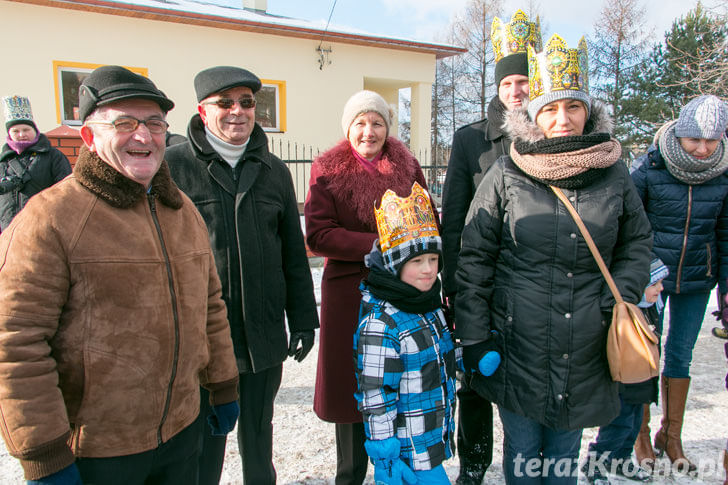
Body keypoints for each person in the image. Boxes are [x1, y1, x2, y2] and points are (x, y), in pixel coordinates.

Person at [0, 65, 240, 484]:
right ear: (89, 137)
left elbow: (210, 307)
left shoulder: (183, 211)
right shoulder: (50, 218)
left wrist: (222, 384)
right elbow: (15, 343)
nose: (143, 136)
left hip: (183, 435)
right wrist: (43, 452)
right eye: (124, 123)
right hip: (97, 452)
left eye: (153, 123)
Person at [455, 34, 652, 485]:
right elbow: (475, 258)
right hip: (516, 342)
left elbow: (637, 241)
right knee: (523, 457)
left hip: (587, 344)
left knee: (563, 457)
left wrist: (616, 297)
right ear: (534, 117)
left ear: (588, 112)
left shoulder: (614, 172)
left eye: (573, 107)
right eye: (549, 109)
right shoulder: (508, 172)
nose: (562, 119)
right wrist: (474, 336)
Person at [165, 65, 319, 485]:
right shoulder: (172, 168)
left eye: (247, 102)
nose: (238, 111)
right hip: (203, 341)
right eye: (225, 102)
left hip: (263, 336)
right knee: (202, 449)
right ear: (201, 109)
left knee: (258, 437)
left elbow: (293, 252)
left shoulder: (275, 170)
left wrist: (304, 318)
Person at [304, 89, 437, 485]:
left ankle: (397, 471)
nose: (369, 131)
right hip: (348, 295)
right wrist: (376, 245)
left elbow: (427, 218)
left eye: (377, 122)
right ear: (348, 128)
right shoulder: (328, 169)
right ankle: (350, 475)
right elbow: (318, 234)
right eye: (360, 122)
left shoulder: (407, 166)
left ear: (387, 127)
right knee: (352, 392)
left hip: (400, 293)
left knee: (399, 384)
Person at [440, 10, 541, 484]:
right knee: (475, 383)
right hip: (480, 284)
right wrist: (457, 288)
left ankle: (529, 461)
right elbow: (455, 221)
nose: (517, 90)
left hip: (534, 285)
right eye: (509, 82)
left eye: (525, 81)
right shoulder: (470, 141)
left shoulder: (551, 138)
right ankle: (475, 466)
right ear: (498, 87)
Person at [354, 182, 477, 485]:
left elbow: (439, 354)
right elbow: (376, 396)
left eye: (433, 260)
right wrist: (385, 458)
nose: (427, 270)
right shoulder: (382, 325)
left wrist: (470, 354)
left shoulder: (429, 306)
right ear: (395, 266)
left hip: (431, 438)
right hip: (406, 452)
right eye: (416, 261)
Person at [631, 94, 728, 473]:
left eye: (712, 141)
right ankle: (641, 433)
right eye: (695, 140)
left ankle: (671, 435)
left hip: (697, 278)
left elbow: (725, 235)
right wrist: (642, 272)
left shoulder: (723, 173)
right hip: (652, 278)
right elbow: (630, 226)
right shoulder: (650, 168)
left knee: (681, 353)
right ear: (681, 135)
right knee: (645, 354)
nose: (703, 149)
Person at [583, 259, 669, 484]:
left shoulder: (651, 309)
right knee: (619, 423)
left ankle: (620, 458)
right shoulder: (626, 312)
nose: (660, 289)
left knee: (633, 423)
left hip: (642, 378)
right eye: (655, 284)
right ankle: (597, 462)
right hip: (626, 380)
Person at [1, 95, 71, 230]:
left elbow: (66, 192)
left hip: (42, 230)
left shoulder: (54, 156)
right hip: (8, 232)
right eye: (16, 131)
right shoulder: (3, 160)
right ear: (9, 134)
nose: (21, 134)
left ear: (35, 130)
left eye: (26, 129)